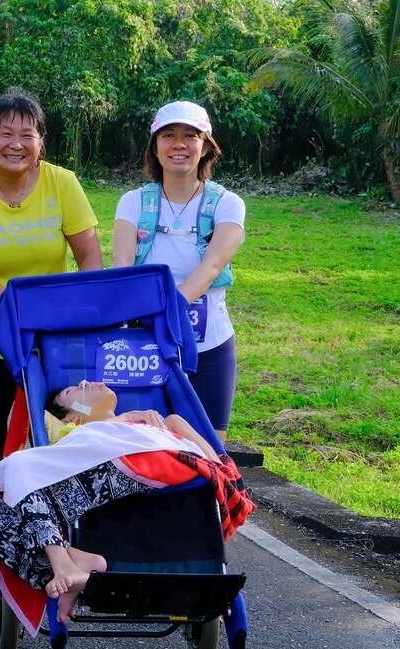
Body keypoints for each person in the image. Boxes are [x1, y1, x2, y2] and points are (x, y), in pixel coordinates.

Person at [0, 88, 104, 618]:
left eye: (27, 134)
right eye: (5, 133)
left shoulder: (64, 183)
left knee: (65, 449)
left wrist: (71, 322)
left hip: (57, 349)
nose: (17, 143)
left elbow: (90, 259)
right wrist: (23, 312)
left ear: (41, 142)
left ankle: (68, 559)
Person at [0, 379, 252, 631]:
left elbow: (216, 463)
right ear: (71, 415)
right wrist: (120, 421)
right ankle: (67, 562)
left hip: (143, 460)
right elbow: (70, 451)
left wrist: (156, 422)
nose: (87, 382)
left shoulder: (154, 423)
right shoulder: (80, 432)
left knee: (15, 477)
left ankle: (60, 563)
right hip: (121, 462)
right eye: (71, 391)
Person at [111, 101, 245, 441]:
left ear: (205, 146)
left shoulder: (227, 204)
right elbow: (122, 269)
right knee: (146, 446)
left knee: (210, 449)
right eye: (168, 135)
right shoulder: (133, 203)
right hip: (144, 347)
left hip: (210, 346)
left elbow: (213, 264)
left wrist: (169, 307)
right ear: (155, 148)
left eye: (190, 136)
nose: (179, 144)